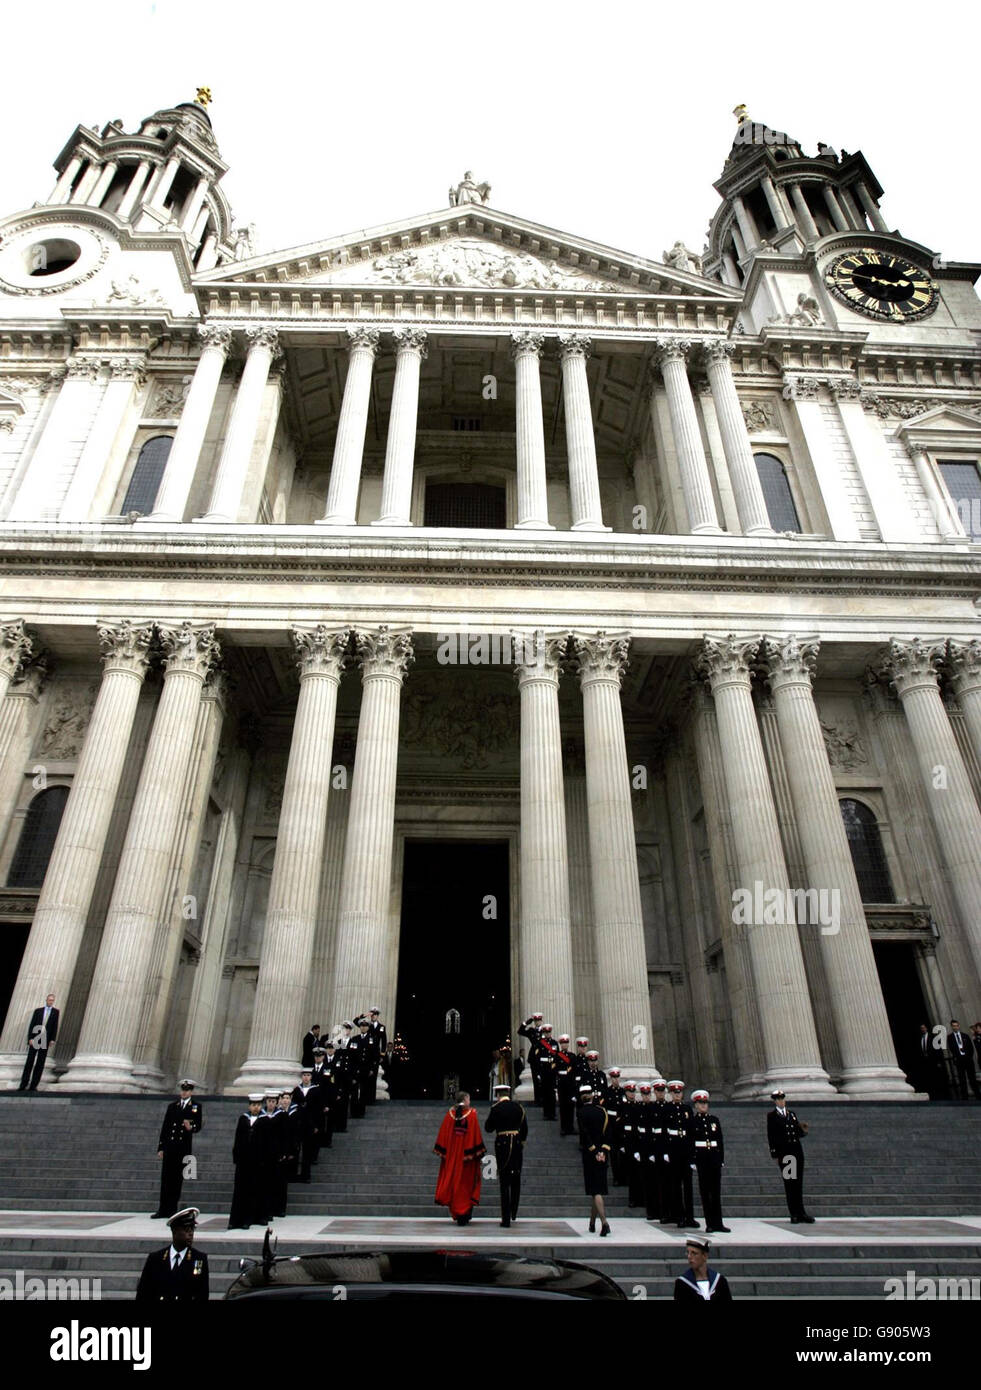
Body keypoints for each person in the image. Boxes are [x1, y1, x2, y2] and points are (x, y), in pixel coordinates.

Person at [152, 1079, 203, 1219]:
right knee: (166, 1179)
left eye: (186, 1090)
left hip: (182, 1149)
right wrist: (161, 1147)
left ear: (191, 1091)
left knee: (176, 1180)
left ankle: (172, 1208)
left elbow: (198, 1125)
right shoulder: (173, 1106)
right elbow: (166, 1127)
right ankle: (163, 1209)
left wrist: (190, 1127)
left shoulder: (195, 1107)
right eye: (182, 1090)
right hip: (170, 1147)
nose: (184, 1092)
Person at [136, 1207, 209, 1302]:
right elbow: (143, 1293)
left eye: (192, 1229)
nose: (190, 1234)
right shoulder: (155, 1258)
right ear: (174, 1231)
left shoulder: (199, 1259)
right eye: (186, 1230)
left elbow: (202, 1295)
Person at [433, 1091, 485, 1224]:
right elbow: (475, 1134)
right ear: (465, 1099)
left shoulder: (449, 1114)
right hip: (466, 1156)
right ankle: (465, 1212)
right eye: (469, 1098)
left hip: (452, 1156)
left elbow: (444, 1134)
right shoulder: (471, 1114)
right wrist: (476, 1153)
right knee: (466, 1184)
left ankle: (457, 1211)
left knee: (453, 1181)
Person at [484, 1083, 528, 1227]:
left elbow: (488, 1128)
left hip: (502, 1144)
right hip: (516, 1144)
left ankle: (506, 1218)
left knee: (504, 1181)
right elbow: (524, 1129)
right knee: (516, 1178)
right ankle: (514, 1211)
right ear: (508, 1094)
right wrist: (521, 1141)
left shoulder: (495, 1108)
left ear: (497, 1095)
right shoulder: (519, 1108)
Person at [767, 1089, 813, 1222]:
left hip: (797, 1152)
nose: (781, 1101)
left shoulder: (791, 1114)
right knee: (790, 1183)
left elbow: (796, 1132)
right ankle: (794, 1213)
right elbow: (771, 1136)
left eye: (782, 1099)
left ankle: (801, 1212)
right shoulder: (772, 1116)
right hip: (785, 1155)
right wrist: (774, 1154)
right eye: (778, 1099)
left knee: (798, 1183)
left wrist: (803, 1130)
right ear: (774, 1101)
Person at [690, 1090, 730, 1233]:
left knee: (716, 1192)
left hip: (714, 1158)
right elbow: (691, 1142)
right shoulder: (693, 1122)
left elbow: (720, 1141)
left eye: (705, 1103)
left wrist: (721, 1159)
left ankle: (718, 1223)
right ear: (696, 1105)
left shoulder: (714, 1120)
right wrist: (693, 1160)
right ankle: (710, 1223)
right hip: (702, 1158)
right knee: (705, 1192)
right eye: (701, 1103)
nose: (704, 1105)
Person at [577, 1086, 611, 1237]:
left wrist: (594, 1151)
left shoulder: (581, 1112)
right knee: (596, 1190)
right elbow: (608, 1132)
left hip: (590, 1154)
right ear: (591, 1096)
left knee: (595, 1190)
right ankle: (592, 1223)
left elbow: (584, 1134)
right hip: (603, 1154)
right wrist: (603, 1151)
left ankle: (604, 1223)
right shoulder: (602, 1111)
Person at [228, 1094, 265, 1229]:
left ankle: (247, 1220)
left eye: (258, 1105)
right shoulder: (243, 1119)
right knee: (239, 1191)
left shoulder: (264, 1120)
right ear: (249, 1106)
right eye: (253, 1105)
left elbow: (266, 1143)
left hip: (256, 1162)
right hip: (243, 1161)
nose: (256, 1107)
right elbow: (237, 1139)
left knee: (252, 1191)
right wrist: (236, 1157)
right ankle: (234, 1220)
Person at [665, 1080, 697, 1228]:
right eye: (674, 1093)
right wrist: (666, 1152)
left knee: (688, 1186)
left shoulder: (687, 1110)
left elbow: (692, 1133)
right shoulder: (667, 1109)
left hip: (685, 1150)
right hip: (674, 1150)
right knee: (676, 1185)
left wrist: (693, 1155)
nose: (677, 1095)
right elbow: (665, 1133)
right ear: (671, 1094)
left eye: (679, 1092)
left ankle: (690, 1216)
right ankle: (679, 1216)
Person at [673, 1236, 733, 1303]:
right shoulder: (682, 1284)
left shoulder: (719, 1281)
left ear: (705, 1256)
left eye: (694, 1253)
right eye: (688, 1252)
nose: (689, 1257)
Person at [19, 993, 59, 1091]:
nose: (50, 1001)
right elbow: (32, 1024)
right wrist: (30, 1038)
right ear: (46, 1000)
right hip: (36, 1038)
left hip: (45, 1039)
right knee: (30, 1061)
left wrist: (53, 1039)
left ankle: (34, 1085)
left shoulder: (55, 1012)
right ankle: (23, 1084)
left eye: (52, 1000)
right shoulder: (38, 1011)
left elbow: (55, 1026)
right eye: (49, 1000)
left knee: (40, 1063)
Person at [948, 1020, 980, 1100]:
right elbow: (951, 1049)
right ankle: (965, 1097)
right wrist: (957, 1057)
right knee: (962, 1079)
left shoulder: (965, 1036)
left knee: (972, 1078)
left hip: (968, 1060)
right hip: (959, 1061)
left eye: (956, 1025)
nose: (955, 1027)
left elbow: (971, 1048)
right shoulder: (950, 1037)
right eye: (953, 1026)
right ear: (952, 1027)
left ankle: (978, 1095)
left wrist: (969, 1057)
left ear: (959, 1026)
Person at [555, 1034, 578, 1135]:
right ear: (560, 1044)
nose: (565, 1045)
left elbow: (575, 1070)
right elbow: (554, 1069)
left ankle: (571, 1127)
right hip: (561, 1084)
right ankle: (563, 1127)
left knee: (571, 1106)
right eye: (563, 1043)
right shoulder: (557, 1055)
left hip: (570, 1084)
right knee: (563, 1106)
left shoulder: (572, 1056)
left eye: (566, 1043)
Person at [916, 1022, 946, 1098]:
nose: (922, 1029)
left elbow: (938, 1049)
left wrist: (939, 1061)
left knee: (936, 1077)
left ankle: (940, 1093)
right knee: (930, 1077)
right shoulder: (920, 1038)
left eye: (923, 1028)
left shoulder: (932, 1037)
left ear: (926, 1028)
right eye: (921, 1028)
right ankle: (932, 1093)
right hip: (926, 1062)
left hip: (934, 1060)